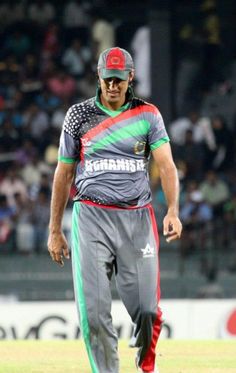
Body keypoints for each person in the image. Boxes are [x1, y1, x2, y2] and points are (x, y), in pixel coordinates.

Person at [48, 47, 182, 373]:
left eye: (119, 81)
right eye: (107, 79)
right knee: (93, 314)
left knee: (148, 310)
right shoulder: (78, 116)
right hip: (91, 218)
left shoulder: (148, 114)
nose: (112, 86)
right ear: (98, 76)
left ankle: (147, 363)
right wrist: (54, 231)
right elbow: (63, 174)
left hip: (137, 219)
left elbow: (166, 166)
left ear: (130, 78)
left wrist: (173, 211)